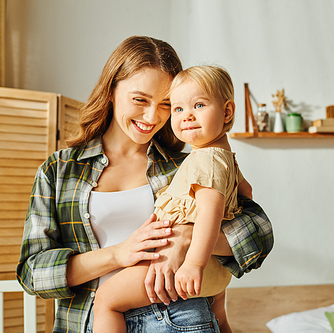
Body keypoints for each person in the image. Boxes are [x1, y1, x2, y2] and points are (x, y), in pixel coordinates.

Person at [16, 36, 273, 333]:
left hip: (179, 318)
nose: (152, 117)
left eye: (166, 105)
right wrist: (117, 254)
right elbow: (33, 273)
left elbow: (260, 234)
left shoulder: (187, 165)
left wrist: (185, 239)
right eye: (140, 100)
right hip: (88, 321)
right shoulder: (60, 170)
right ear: (111, 90)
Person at [93, 65, 250, 333]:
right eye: (178, 109)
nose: (187, 116)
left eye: (199, 105)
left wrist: (193, 262)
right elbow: (246, 196)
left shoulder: (204, 160)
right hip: (213, 275)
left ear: (227, 111)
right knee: (219, 318)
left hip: (182, 270)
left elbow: (211, 214)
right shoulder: (225, 160)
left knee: (105, 299)